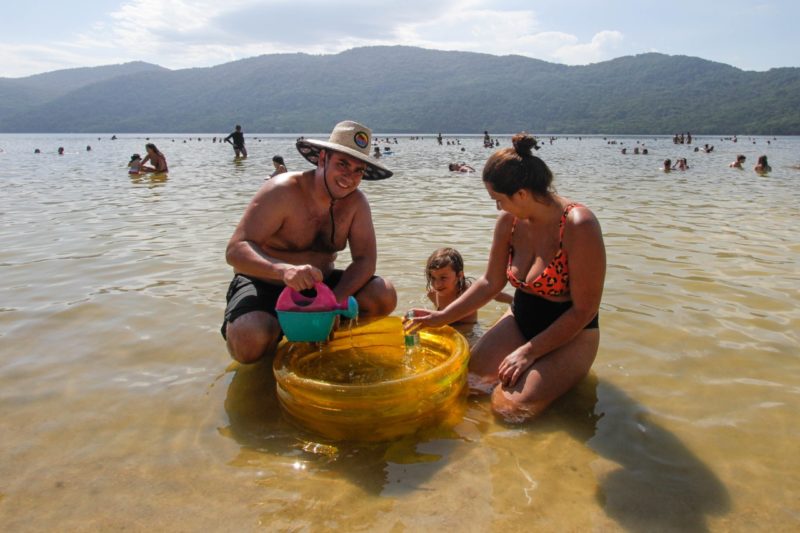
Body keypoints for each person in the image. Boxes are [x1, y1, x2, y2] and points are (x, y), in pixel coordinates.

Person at [405, 133, 605, 422]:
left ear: (522, 194)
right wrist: (442, 316)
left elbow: (585, 310)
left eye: (498, 200)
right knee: (468, 384)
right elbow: (490, 283)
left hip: (571, 333)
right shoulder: (509, 222)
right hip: (522, 318)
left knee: (508, 410)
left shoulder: (579, 225)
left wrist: (529, 352)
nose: (497, 207)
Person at [221, 120, 397, 364]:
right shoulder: (282, 191)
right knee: (249, 339)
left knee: (383, 294)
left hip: (322, 287)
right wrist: (282, 270)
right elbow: (235, 250)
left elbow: (366, 260)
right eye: (343, 164)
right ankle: (271, 368)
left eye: (359, 170)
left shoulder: (357, 203)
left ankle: (331, 350)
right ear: (323, 158)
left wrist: (334, 301)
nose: (350, 176)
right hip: (266, 283)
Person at [425, 247, 512, 327]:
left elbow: (495, 293)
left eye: (443, 278)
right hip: (448, 330)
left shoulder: (469, 291)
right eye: (433, 278)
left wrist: (514, 303)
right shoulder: (433, 294)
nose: (437, 284)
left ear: (459, 275)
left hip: (469, 330)